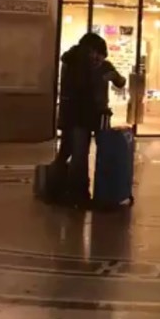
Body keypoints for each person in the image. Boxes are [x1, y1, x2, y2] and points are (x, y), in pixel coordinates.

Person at [56, 33, 126, 205]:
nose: (98, 58)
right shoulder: (74, 64)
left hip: (97, 115)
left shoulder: (103, 66)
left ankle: (95, 191)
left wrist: (114, 77)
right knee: (78, 154)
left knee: (96, 153)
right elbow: (70, 91)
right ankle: (76, 194)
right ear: (88, 51)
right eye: (96, 54)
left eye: (101, 56)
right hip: (79, 115)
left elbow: (121, 82)